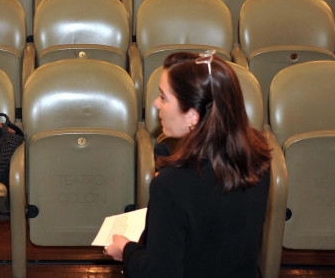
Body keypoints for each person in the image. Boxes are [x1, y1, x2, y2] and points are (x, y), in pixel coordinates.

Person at [105, 51, 271, 278]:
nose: (155, 104)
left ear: (193, 115)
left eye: (163, 97)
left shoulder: (171, 186)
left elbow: (158, 273)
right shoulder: (258, 156)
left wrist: (126, 250)